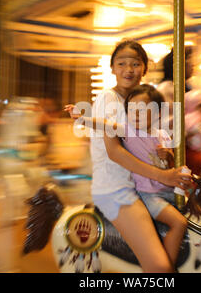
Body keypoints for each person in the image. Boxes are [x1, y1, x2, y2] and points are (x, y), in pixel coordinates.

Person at [65, 40, 192, 272]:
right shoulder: (109, 99)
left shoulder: (138, 101)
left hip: (140, 187)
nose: (129, 69)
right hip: (116, 188)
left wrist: (167, 159)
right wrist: (164, 177)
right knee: (160, 268)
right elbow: (115, 152)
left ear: (144, 68)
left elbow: (151, 145)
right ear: (112, 68)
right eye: (121, 63)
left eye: (135, 63)